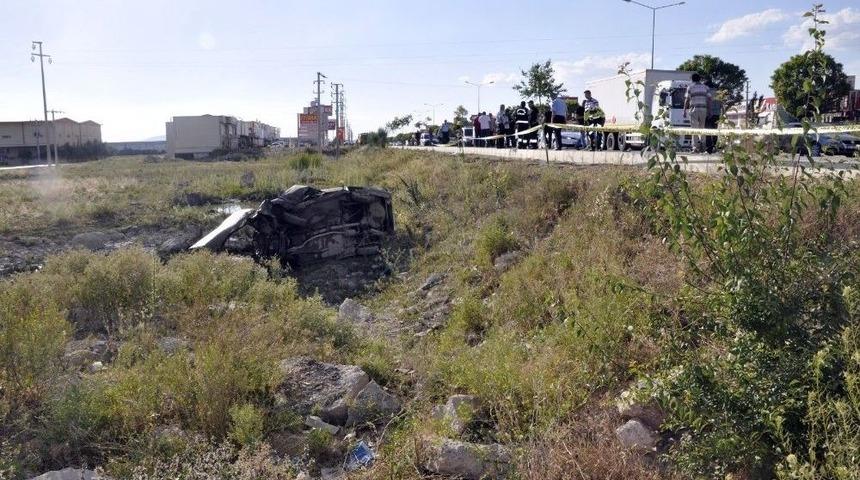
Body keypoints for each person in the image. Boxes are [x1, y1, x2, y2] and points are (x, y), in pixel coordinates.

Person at [684, 73, 712, 153]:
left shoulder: (690, 87)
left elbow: (687, 100)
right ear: (700, 79)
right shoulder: (706, 87)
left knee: (694, 129)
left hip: (694, 109)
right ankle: (703, 147)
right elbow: (709, 99)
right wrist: (709, 111)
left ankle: (695, 148)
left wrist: (684, 110)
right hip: (703, 109)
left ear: (692, 79)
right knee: (702, 128)